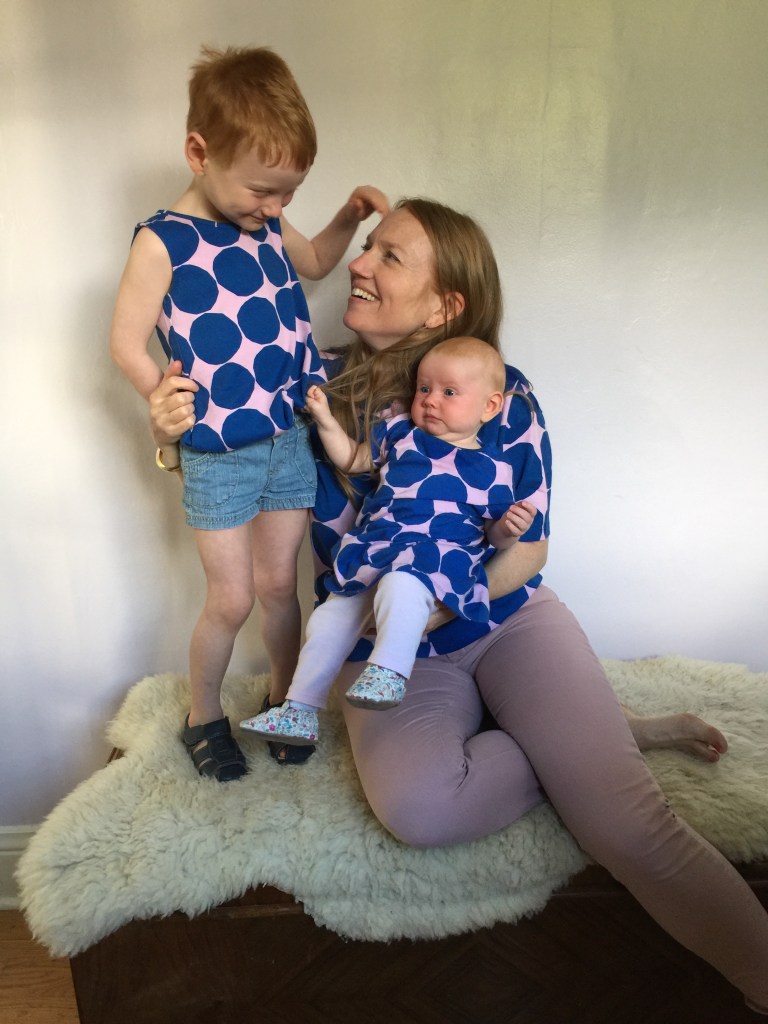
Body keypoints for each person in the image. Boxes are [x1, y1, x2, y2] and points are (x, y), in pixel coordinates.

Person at [150, 196, 768, 1011]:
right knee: (420, 809)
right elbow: (224, 445)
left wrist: (432, 609)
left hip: (501, 619)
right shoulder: (308, 382)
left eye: (388, 255)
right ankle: (591, 739)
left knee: (628, 825)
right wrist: (168, 429)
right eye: (368, 247)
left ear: (446, 306)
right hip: (380, 652)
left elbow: (529, 550)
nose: (357, 264)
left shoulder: (500, 395)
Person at [110, 45, 387, 781]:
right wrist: (161, 397)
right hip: (219, 451)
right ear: (199, 153)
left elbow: (316, 262)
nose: (274, 209)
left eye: (288, 194)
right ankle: (202, 714)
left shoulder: (266, 223)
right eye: (264, 191)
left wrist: (348, 215)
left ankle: (288, 700)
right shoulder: (162, 241)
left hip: (288, 437)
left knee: (278, 589)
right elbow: (126, 340)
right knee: (232, 600)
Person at [240, 338, 537, 744]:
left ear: (490, 406)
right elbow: (353, 459)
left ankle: (390, 672)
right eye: (424, 388)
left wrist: (510, 528)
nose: (430, 400)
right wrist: (325, 420)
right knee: (329, 616)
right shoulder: (402, 435)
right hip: (378, 549)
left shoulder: (492, 469)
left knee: (402, 586)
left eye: (449, 392)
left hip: (434, 559)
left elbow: (493, 537)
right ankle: (300, 709)